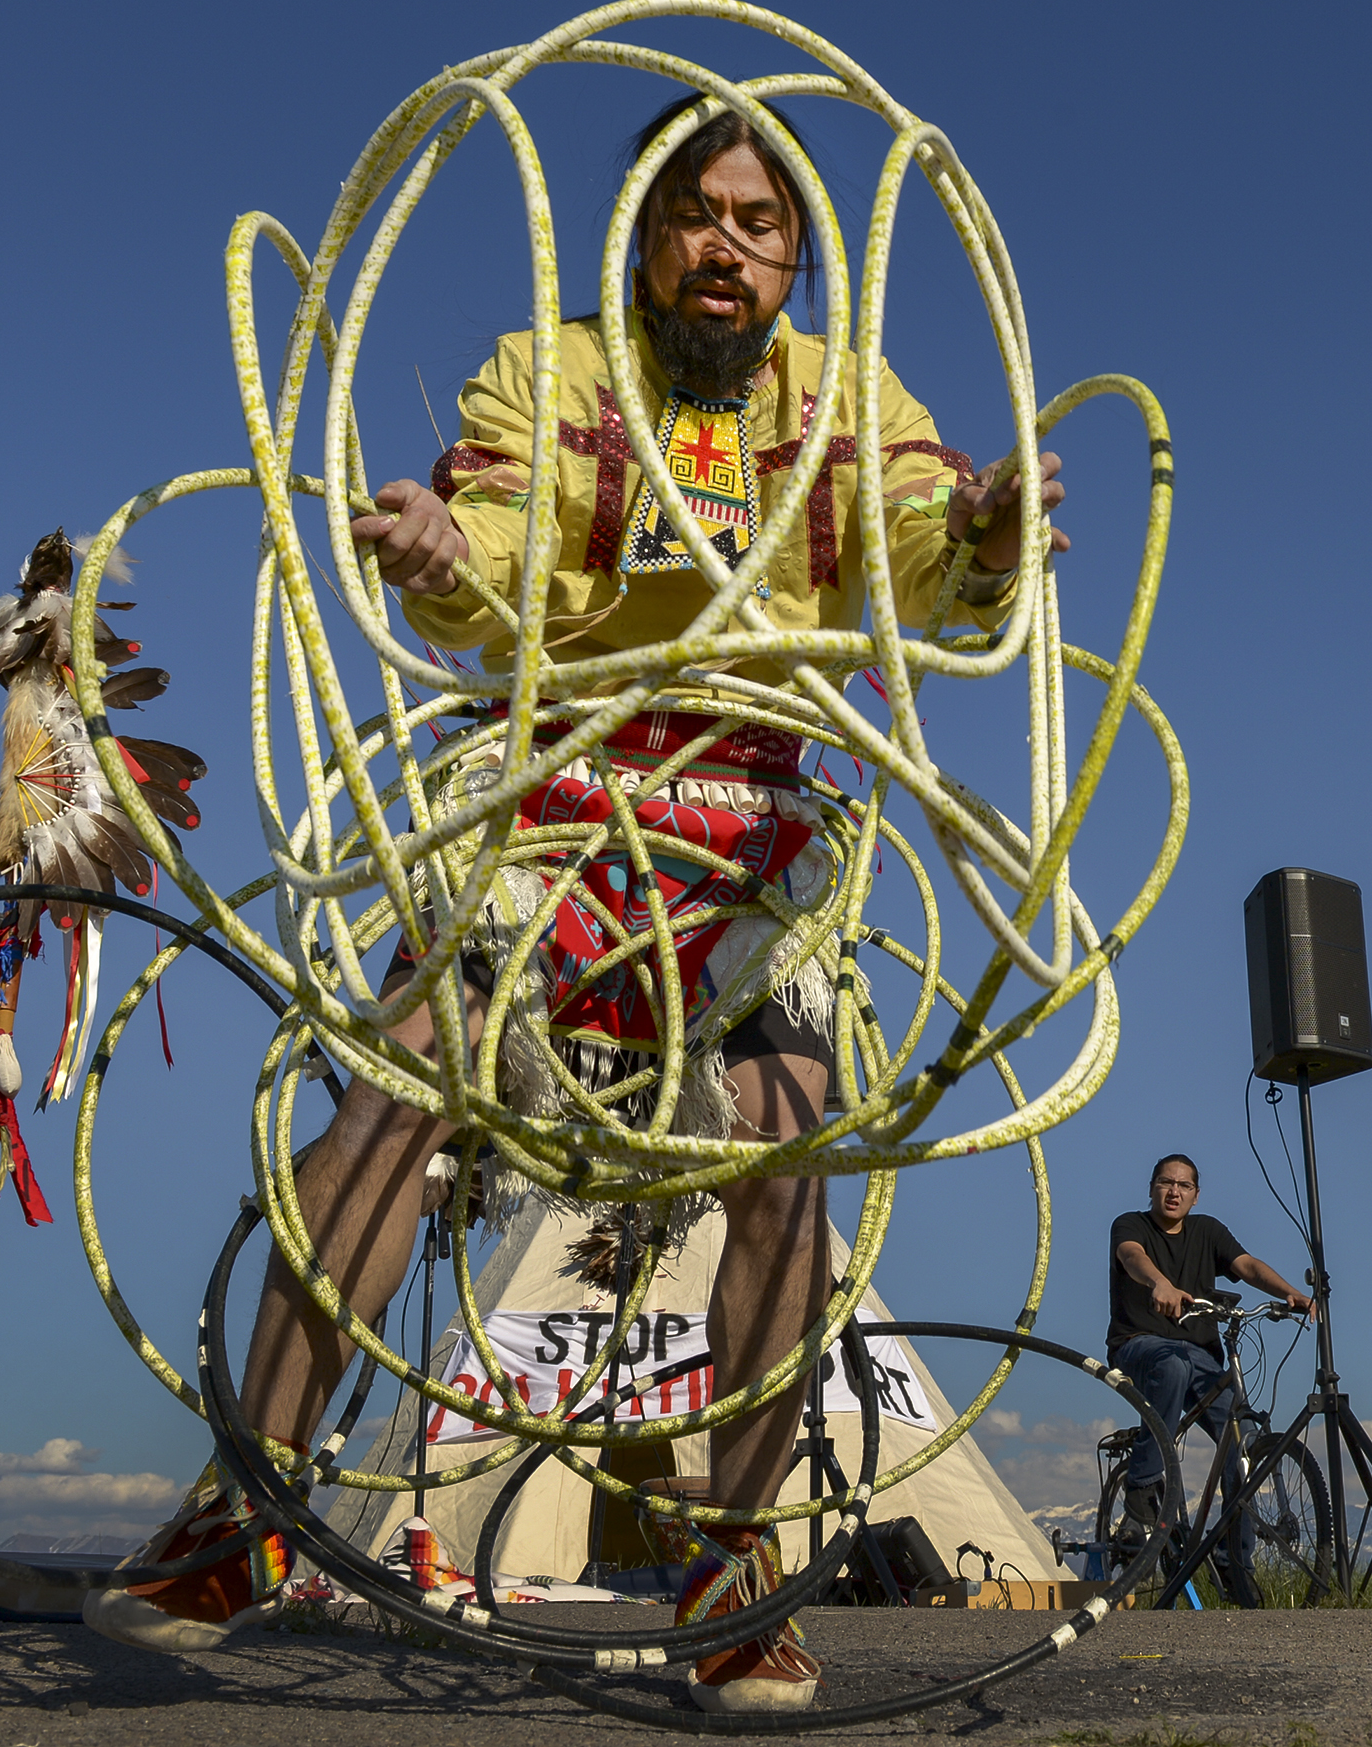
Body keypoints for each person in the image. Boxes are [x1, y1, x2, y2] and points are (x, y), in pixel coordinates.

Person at [86, 92, 1070, 1715]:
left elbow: (924, 550)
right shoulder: (549, 372)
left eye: (759, 221)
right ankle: (248, 1502)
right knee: (395, 1087)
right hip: (552, 802)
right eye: (697, 211)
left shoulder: (851, 397)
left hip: (750, 830)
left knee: (785, 1145)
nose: (725, 245)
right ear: (642, 234)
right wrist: (434, 546)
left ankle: (735, 1567)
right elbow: (495, 542)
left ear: (799, 255)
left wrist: (982, 533)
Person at [1108, 1154, 1312, 1606]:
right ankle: (1142, 1488)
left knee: (1245, 1439)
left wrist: (1289, 1293)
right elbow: (1132, 1257)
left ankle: (1233, 1560)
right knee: (1173, 1365)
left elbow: (1247, 1265)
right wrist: (1159, 1284)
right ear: (1152, 1187)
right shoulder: (1130, 1225)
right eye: (1166, 1183)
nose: (1174, 1192)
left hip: (1199, 1354)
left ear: (1196, 1195)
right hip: (1140, 1344)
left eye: (1184, 1185)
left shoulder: (1208, 1231)